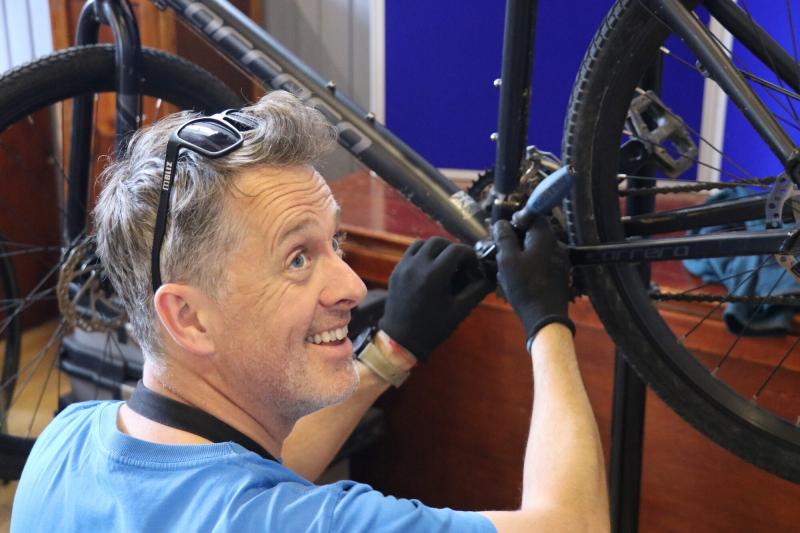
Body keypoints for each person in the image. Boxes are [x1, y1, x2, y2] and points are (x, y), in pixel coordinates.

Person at [11, 91, 609, 531]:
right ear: (188, 317)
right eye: (297, 258)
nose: (352, 285)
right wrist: (546, 320)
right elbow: (576, 525)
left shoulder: (64, 443)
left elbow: (241, 476)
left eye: (336, 242)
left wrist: (391, 350)